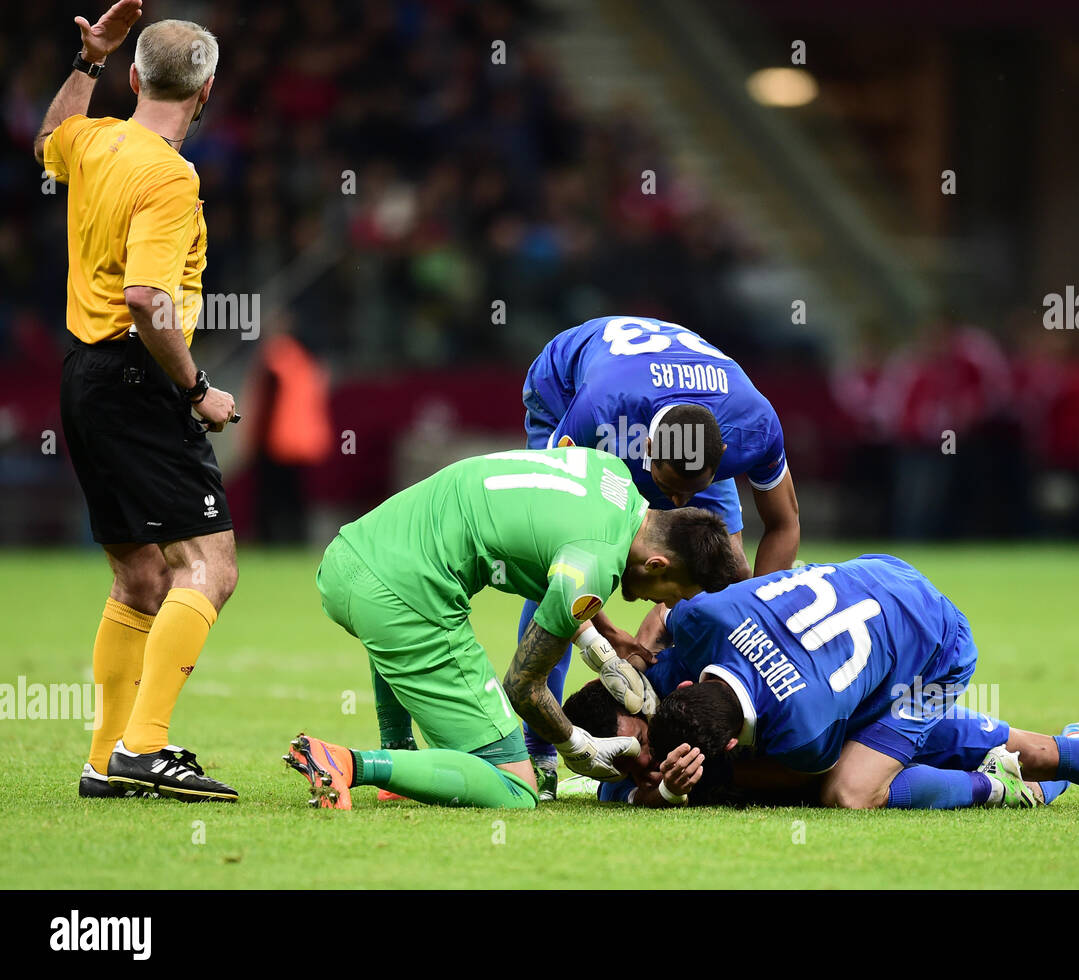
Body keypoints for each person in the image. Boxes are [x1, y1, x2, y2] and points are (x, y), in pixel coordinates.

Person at [283, 446, 742, 810]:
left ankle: (400, 760)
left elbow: (544, 543)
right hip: (400, 595)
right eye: (671, 594)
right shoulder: (593, 568)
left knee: (406, 638)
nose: (658, 603)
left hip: (353, 556)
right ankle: (347, 763)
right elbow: (523, 686)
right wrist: (577, 745)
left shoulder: (610, 473)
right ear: (659, 564)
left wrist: (600, 641)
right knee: (514, 786)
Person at [35, 2, 240, 801]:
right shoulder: (167, 172)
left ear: (132, 77)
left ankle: (103, 760)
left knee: (141, 581)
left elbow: (50, 139)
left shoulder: (96, 140)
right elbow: (150, 299)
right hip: (136, 379)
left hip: (83, 379)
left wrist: (84, 62)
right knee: (210, 567)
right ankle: (145, 747)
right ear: (208, 89)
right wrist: (196, 391)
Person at [639, 556, 1079, 813]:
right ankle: (1070, 746)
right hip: (880, 575)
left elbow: (800, 780)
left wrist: (687, 789)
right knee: (900, 748)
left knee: (852, 789)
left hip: (936, 649)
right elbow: (665, 621)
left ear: (725, 746)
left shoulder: (802, 730)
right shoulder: (705, 618)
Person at [518, 314, 800, 794]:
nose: (675, 506)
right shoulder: (596, 409)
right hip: (567, 386)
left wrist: (753, 621)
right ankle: (538, 748)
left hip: (674, 407)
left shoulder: (754, 425)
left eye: (692, 492)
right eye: (668, 488)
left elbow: (784, 524)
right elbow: (549, 537)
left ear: (724, 458)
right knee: (583, 560)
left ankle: (704, 708)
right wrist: (604, 637)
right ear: (648, 450)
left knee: (726, 574)